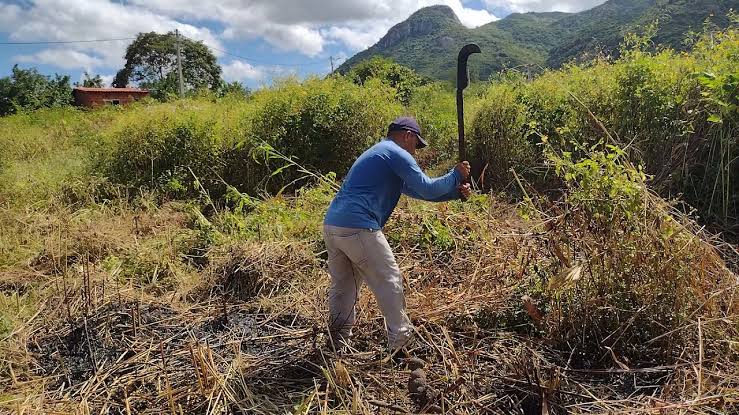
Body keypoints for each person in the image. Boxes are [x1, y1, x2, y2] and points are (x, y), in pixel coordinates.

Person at [323, 116, 471, 352]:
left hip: (334, 226)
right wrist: (455, 174)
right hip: (359, 225)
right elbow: (427, 186)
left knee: (343, 287)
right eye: (416, 144)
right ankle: (401, 343)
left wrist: (455, 194)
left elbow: (421, 192)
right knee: (390, 280)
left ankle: (336, 343)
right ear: (407, 136)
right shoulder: (395, 152)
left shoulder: (381, 154)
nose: (415, 151)